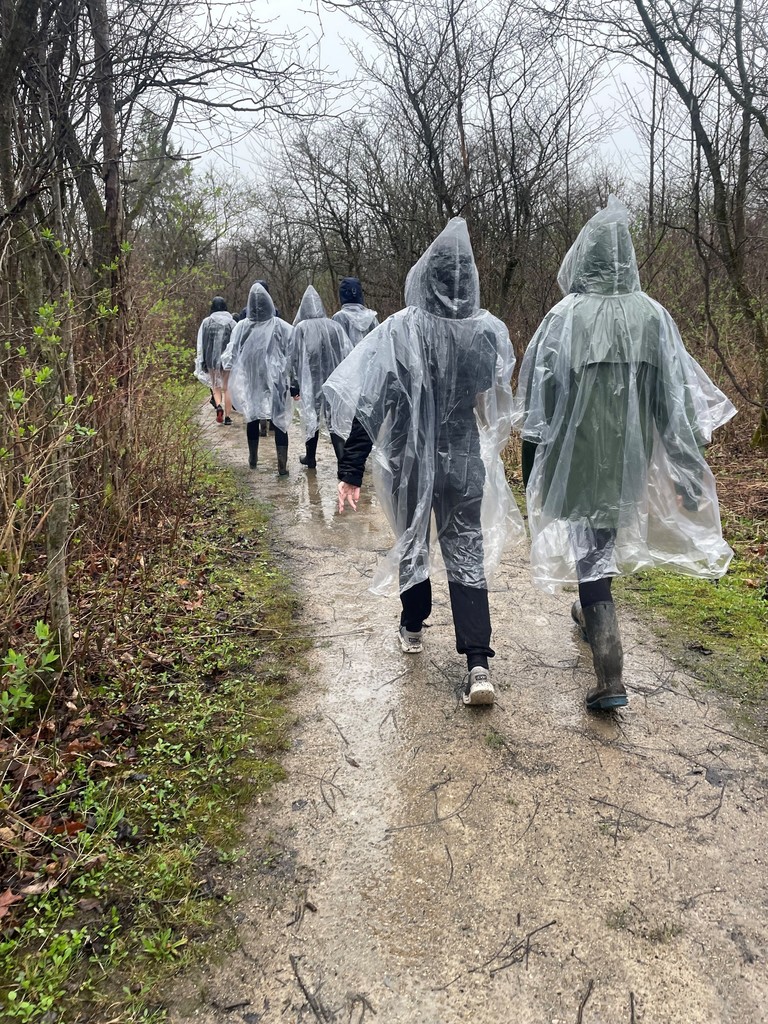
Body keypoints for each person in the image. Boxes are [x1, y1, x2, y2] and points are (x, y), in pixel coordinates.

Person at [513, 196, 735, 711]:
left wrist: (532, 476)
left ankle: (611, 676)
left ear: (585, 257)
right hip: (628, 467)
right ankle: (588, 615)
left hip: (577, 463)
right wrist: (684, 470)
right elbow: (674, 402)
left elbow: (537, 412)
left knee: (591, 556)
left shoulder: (562, 318)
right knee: (599, 547)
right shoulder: (653, 317)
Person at [324, 218, 525, 707]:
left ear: (425, 278)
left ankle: (412, 626)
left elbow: (370, 404)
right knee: (467, 553)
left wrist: (351, 470)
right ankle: (478, 663)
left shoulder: (398, 331)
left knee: (413, 542)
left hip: (409, 463)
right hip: (462, 459)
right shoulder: (486, 333)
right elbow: (494, 403)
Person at [222, 282, 294, 476]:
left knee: (252, 417)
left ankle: (253, 458)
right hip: (277, 380)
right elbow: (294, 351)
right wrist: (293, 379)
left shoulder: (241, 327)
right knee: (279, 420)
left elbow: (230, 354)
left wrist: (230, 374)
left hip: (252, 379)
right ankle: (282, 466)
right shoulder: (281, 326)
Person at [291, 285, 353, 470]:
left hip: (311, 381)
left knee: (312, 418)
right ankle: (342, 461)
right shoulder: (334, 326)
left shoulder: (301, 328)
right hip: (333, 380)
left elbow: (293, 357)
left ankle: (311, 459)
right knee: (333, 420)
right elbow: (347, 353)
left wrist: (294, 384)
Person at [195, 297, 235, 423]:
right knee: (227, 387)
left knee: (215, 386)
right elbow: (235, 343)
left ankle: (218, 407)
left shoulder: (206, 322)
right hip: (227, 361)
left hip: (211, 360)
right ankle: (228, 417)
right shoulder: (232, 323)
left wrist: (201, 360)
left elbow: (201, 342)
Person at [332, 277, 379, 347]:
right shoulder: (371, 317)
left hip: (348, 358)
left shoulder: (339, 317)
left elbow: (336, 346)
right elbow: (379, 341)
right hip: (369, 357)